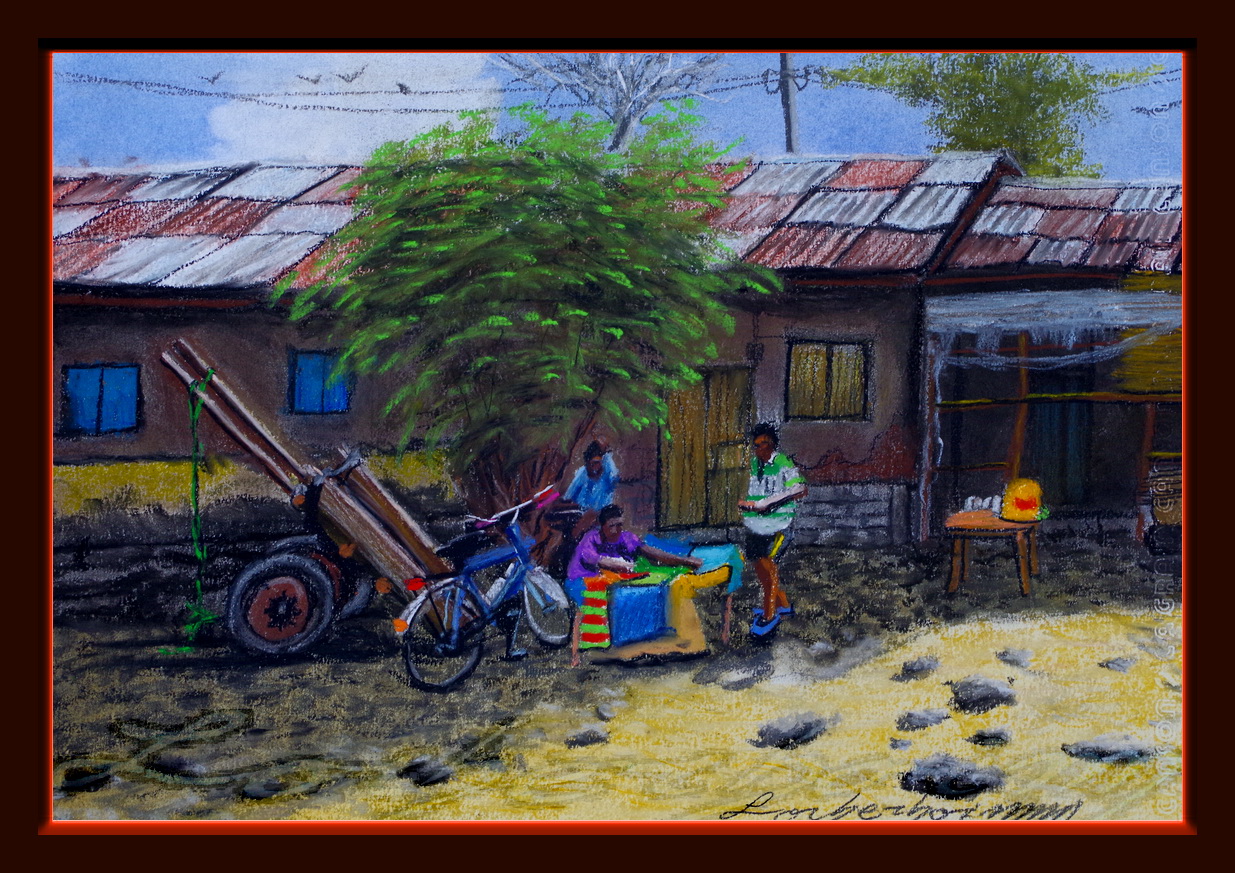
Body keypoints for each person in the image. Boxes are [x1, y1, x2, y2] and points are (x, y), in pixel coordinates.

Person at [566, 504, 703, 654]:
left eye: (619, 525)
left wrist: (685, 561)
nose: (616, 530)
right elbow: (599, 561)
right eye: (611, 526)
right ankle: (596, 644)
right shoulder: (591, 538)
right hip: (582, 580)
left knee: (659, 583)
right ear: (602, 526)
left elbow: (652, 553)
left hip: (614, 579)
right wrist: (624, 565)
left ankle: (644, 638)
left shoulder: (627, 538)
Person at [737, 422, 808, 640]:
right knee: (759, 567)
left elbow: (800, 488)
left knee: (768, 569)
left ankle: (769, 615)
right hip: (755, 525)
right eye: (756, 445)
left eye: (763, 444)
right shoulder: (753, 464)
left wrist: (769, 503)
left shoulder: (782, 462)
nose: (759, 449)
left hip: (778, 525)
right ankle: (783, 605)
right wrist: (747, 504)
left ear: (771, 444)